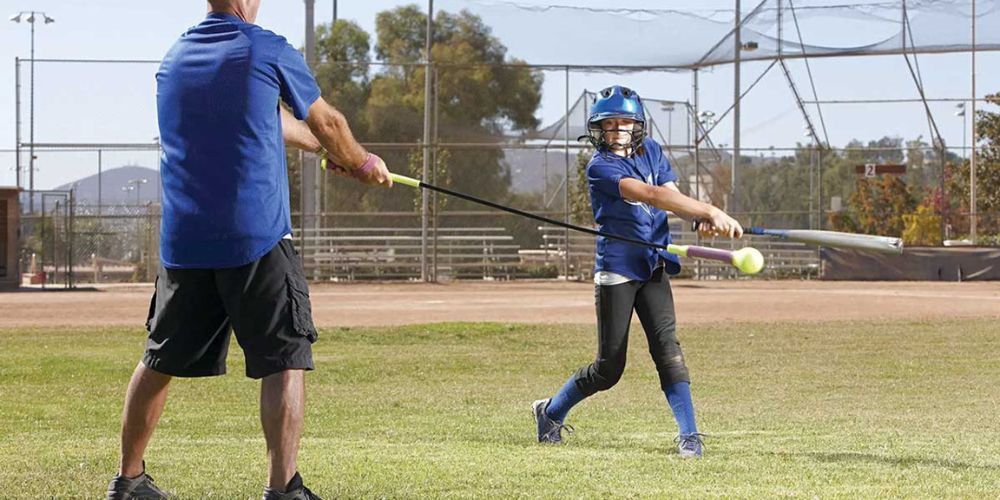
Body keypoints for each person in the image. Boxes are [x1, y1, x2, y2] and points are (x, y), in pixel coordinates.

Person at [106, 1, 392, 498]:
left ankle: (128, 482)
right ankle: (284, 489)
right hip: (254, 237)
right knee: (285, 359)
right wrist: (363, 162)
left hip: (187, 242)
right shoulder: (266, 47)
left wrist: (325, 152)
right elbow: (328, 121)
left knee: (159, 361)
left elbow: (268, 118)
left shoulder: (175, 60)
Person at [532, 85, 742, 458]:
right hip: (618, 268)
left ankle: (690, 435)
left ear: (638, 126)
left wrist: (697, 219)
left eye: (623, 123)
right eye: (608, 125)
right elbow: (651, 195)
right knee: (609, 369)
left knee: (668, 349)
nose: (615, 131)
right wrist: (709, 210)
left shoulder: (653, 152)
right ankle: (550, 412)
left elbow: (671, 194)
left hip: (654, 264)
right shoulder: (601, 167)